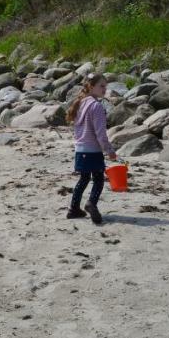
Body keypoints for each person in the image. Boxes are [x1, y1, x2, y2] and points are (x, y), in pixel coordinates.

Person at [66, 73, 117, 225]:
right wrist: (109, 151)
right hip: (93, 150)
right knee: (99, 179)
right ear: (91, 86)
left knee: (83, 179)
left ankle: (74, 209)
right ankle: (91, 203)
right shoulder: (96, 106)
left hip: (80, 149)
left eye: (106, 86)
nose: (104, 89)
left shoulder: (80, 103)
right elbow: (100, 133)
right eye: (101, 86)